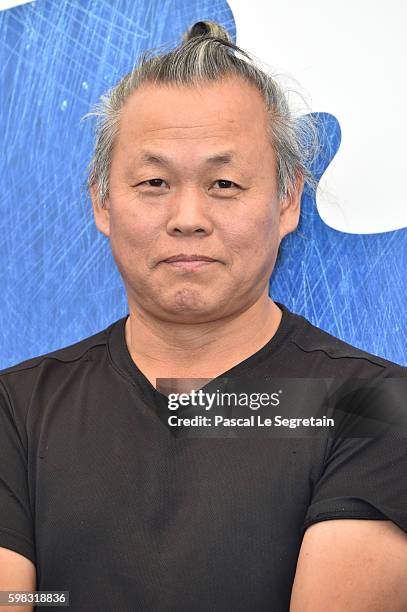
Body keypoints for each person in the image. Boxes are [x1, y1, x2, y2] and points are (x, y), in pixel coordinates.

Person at [0, 19, 406, 612]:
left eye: (224, 182)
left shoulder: (372, 407)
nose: (188, 216)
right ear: (102, 200)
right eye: (154, 181)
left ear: (287, 199)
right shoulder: (18, 410)